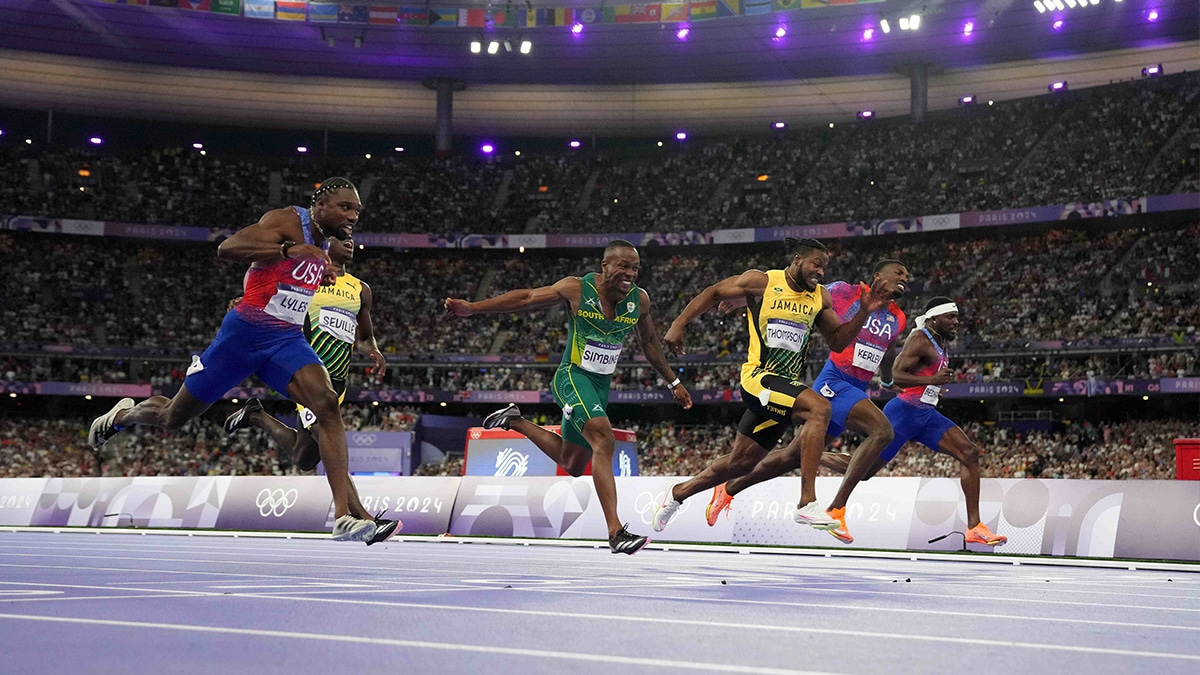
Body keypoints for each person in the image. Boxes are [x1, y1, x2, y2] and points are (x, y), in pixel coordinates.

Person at [87, 178, 396, 545]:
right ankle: (123, 416)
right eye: (345, 207)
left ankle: (344, 517)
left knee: (327, 404)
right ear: (321, 205)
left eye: (357, 210)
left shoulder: (326, 245)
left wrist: (320, 268)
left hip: (285, 340)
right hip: (243, 337)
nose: (353, 216)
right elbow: (228, 248)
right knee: (172, 417)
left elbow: (288, 286)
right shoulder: (287, 220)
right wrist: (289, 251)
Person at [444, 240, 693, 555]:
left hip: (600, 385)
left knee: (573, 463)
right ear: (605, 266)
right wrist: (473, 308)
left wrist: (673, 381)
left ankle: (514, 420)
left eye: (635, 268)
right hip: (572, 377)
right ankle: (616, 532)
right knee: (604, 439)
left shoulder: (639, 300)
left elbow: (650, 341)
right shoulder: (576, 289)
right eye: (623, 266)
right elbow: (527, 298)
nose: (630, 273)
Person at [652, 238, 898, 534]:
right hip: (759, 378)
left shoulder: (820, 297)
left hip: (785, 389)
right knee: (820, 408)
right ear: (797, 259)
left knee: (741, 464)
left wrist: (863, 312)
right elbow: (714, 291)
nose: (821, 272)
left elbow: (837, 341)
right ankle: (807, 503)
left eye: (825, 267)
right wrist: (679, 324)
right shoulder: (763, 281)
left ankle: (678, 493)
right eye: (816, 264)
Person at [702, 259, 910, 544]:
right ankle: (836, 509)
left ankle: (728, 489)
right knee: (883, 431)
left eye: (907, 276)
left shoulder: (898, 317)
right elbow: (795, 295)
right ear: (877, 275)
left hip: (858, 387)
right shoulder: (844, 292)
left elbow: (888, 352)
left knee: (788, 458)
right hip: (834, 382)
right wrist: (743, 300)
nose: (904, 278)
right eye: (898, 273)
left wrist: (887, 380)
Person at [223, 235, 397, 540]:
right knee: (330, 445)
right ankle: (364, 518)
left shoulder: (360, 289)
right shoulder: (307, 278)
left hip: (338, 381)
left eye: (352, 239)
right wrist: (246, 305)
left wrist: (373, 349)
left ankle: (256, 416)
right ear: (325, 245)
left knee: (305, 457)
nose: (350, 242)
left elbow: (365, 335)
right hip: (309, 374)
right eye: (342, 239)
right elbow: (272, 299)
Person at [822, 296, 1007, 546]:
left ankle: (975, 527)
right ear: (933, 319)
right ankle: (820, 473)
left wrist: (933, 386)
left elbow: (924, 375)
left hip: (926, 414)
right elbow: (897, 375)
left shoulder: (941, 342)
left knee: (969, 453)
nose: (956, 322)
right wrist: (931, 382)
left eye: (956, 317)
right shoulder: (920, 338)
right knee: (863, 472)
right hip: (904, 412)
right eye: (950, 317)